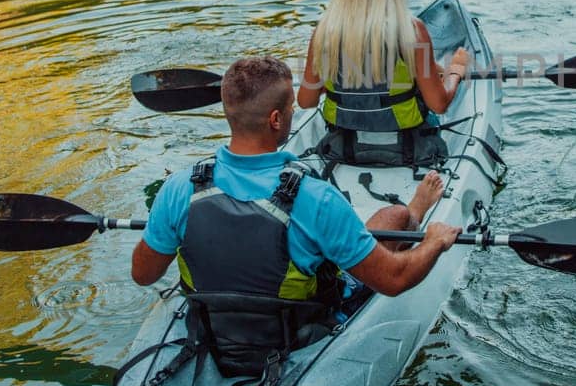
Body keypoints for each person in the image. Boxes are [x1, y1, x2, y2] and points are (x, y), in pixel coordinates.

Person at [131, 56, 461, 328]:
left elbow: (143, 275)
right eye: (292, 107)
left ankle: (410, 213)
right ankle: (416, 214)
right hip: (300, 329)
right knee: (396, 217)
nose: (294, 112)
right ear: (276, 119)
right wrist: (434, 243)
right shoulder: (315, 198)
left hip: (212, 323)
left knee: (394, 216)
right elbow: (393, 280)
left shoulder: (179, 188)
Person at [297, 0, 470, 165]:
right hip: (409, 149)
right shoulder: (411, 30)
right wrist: (455, 72)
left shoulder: (325, 31)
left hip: (344, 148)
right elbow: (438, 104)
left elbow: (306, 101)